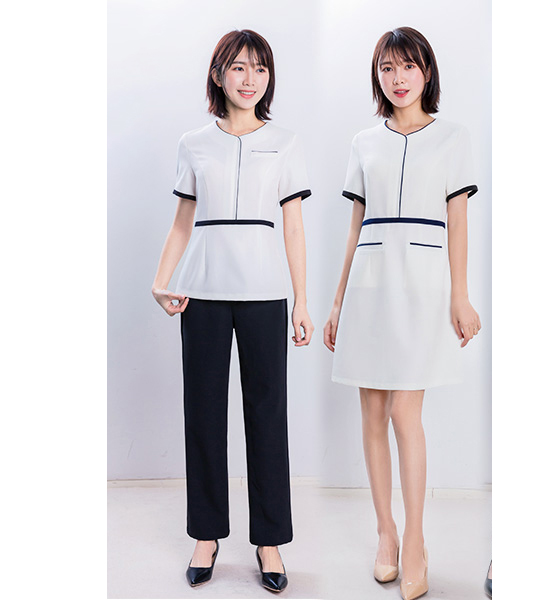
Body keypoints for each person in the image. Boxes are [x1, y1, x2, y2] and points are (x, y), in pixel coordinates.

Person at [152, 29, 314, 593]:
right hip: (202, 291)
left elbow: (293, 226)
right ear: (219, 74)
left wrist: (301, 299)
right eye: (239, 67)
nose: (250, 79)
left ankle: (269, 540)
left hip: (266, 291)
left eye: (260, 69)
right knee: (203, 412)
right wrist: (160, 280)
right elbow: (182, 222)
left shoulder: (286, 142)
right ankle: (205, 535)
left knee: (267, 414)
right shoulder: (194, 142)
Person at [324, 26, 481, 600]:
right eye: (387, 68)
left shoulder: (453, 137)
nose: (397, 78)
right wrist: (337, 300)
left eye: (408, 66)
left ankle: (415, 539)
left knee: (404, 412)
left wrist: (460, 295)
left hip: (421, 284)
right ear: (378, 76)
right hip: (369, 282)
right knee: (371, 410)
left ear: (427, 72)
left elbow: (458, 220)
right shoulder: (364, 141)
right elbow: (355, 225)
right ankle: (385, 534)